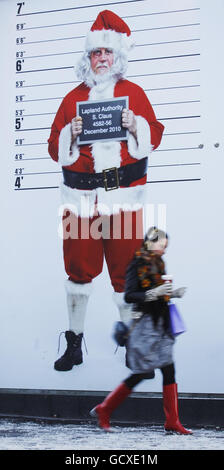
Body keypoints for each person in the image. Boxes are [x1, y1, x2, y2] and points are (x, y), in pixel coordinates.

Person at [48, 10, 164, 371]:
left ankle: (132, 343)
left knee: (126, 271)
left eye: (107, 53)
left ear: (117, 57)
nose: (101, 59)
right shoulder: (71, 100)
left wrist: (136, 125)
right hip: (78, 202)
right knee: (77, 272)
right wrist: (71, 134)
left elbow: (155, 136)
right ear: (88, 58)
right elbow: (54, 148)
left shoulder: (134, 94)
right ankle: (74, 343)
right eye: (95, 53)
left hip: (123, 201)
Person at [90, 227, 192, 435]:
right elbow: (130, 296)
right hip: (145, 327)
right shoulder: (137, 264)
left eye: (166, 246)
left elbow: (158, 293)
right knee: (143, 373)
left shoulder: (157, 263)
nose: (164, 250)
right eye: (161, 245)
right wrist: (153, 292)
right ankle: (104, 409)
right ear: (149, 243)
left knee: (167, 370)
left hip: (160, 325)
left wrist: (173, 293)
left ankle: (172, 421)